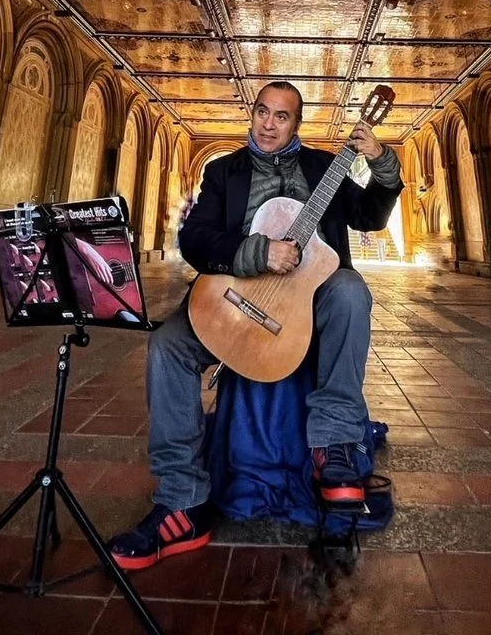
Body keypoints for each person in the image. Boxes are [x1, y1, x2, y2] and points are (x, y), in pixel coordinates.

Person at [107, 80, 403, 571]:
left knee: (351, 290)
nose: (268, 123)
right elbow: (196, 240)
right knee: (168, 346)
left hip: (310, 296)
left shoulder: (321, 166)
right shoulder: (223, 172)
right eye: (262, 112)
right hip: (233, 293)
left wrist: (380, 159)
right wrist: (260, 252)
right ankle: (183, 497)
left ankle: (334, 446)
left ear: (297, 124)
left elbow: (370, 217)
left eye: (281, 116)